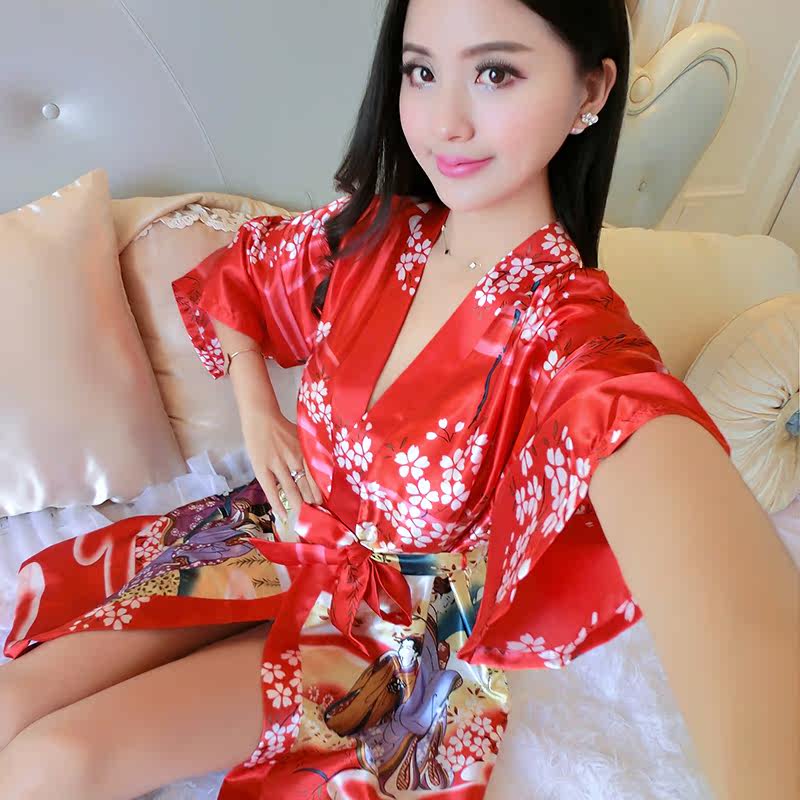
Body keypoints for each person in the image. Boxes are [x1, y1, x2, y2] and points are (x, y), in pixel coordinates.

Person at [1, 1, 796, 799]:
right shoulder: (378, 236)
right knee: (14, 703)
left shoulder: (568, 337)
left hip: (383, 631)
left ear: (591, 89)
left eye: (495, 72)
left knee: (56, 761)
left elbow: (665, 476)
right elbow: (242, 277)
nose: (444, 122)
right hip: (267, 532)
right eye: (421, 71)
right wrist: (258, 409)